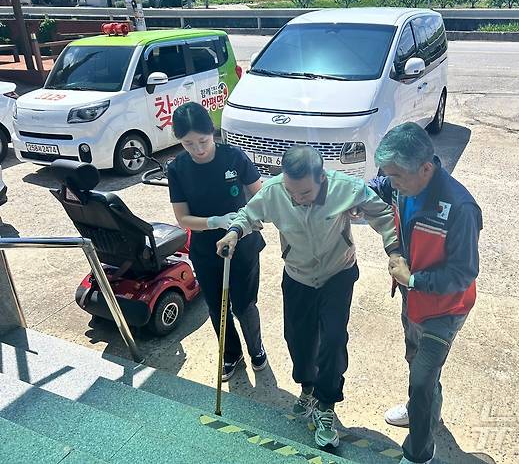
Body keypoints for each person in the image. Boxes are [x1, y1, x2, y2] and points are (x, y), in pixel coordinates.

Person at [216, 145, 399, 449]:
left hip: (337, 274)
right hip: (298, 275)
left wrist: (394, 252)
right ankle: (308, 388)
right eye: (292, 192)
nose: (297, 199)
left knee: (332, 339)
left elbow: (383, 215)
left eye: (305, 193)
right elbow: (250, 214)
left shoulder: (345, 188)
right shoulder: (276, 191)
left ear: (322, 178)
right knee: (297, 339)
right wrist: (234, 231)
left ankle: (326, 404)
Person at [369, 122, 482, 464]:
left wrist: (413, 279)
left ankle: (419, 454)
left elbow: (463, 274)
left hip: (445, 309)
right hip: (412, 299)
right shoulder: (403, 184)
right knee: (416, 364)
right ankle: (422, 408)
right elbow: (377, 188)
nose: (392, 183)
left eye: (397, 176)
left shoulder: (461, 208)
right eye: (388, 175)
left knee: (421, 382)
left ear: (427, 168)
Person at [167, 101, 267, 382]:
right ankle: (231, 353)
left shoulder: (234, 157)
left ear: (213, 132)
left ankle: (256, 349)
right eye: (189, 143)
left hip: (243, 244)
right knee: (217, 305)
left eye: (203, 140)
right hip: (205, 248)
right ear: (179, 141)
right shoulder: (177, 169)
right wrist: (214, 222)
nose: (198, 149)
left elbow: (259, 196)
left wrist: (242, 220)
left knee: (245, 304)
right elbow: (183, 218)